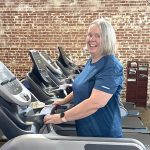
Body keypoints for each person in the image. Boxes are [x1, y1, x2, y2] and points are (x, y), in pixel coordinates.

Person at [44, 18, 124, 138]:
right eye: (89, 35)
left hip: (103, 136)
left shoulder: (111, 66)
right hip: (86, 131)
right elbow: (80, 87)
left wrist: (61, 117)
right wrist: (63, 101)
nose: (92, 39)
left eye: (98, 36)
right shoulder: (91, 61)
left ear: (107, 39)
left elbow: (95, 103)